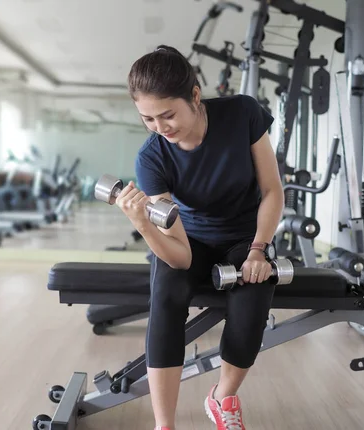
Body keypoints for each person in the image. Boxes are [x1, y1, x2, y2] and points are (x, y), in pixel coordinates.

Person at [115, 45, 284, 430]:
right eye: (148, 119)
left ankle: (222, 396)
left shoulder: (242, 114)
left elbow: (272, 190)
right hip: (188, 242)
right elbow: (180, 258)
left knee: (254, 295)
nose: (161, 127)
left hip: (245, 237)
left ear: (195, 96)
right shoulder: (151, 158)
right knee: (167, 294)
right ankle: (165, 425)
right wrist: (143, 224)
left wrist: (258, 250)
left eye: (168, 114)